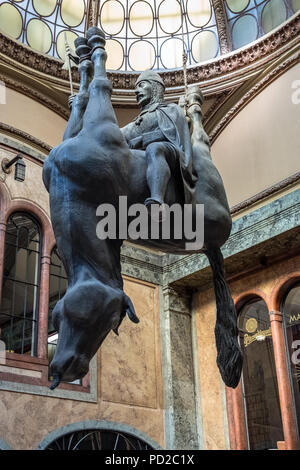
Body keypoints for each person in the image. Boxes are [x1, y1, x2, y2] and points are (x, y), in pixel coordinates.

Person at [121, 70, 198, 207]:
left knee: (155, 148)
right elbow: (115, 135)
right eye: (136, 88)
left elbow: (173, 134)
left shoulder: (171, 109)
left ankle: (157, 199)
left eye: (142, 85)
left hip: (170, 151)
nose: (136, 91)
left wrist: (142, 140)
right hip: (145, 154)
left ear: (155, 87)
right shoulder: (137, 120)